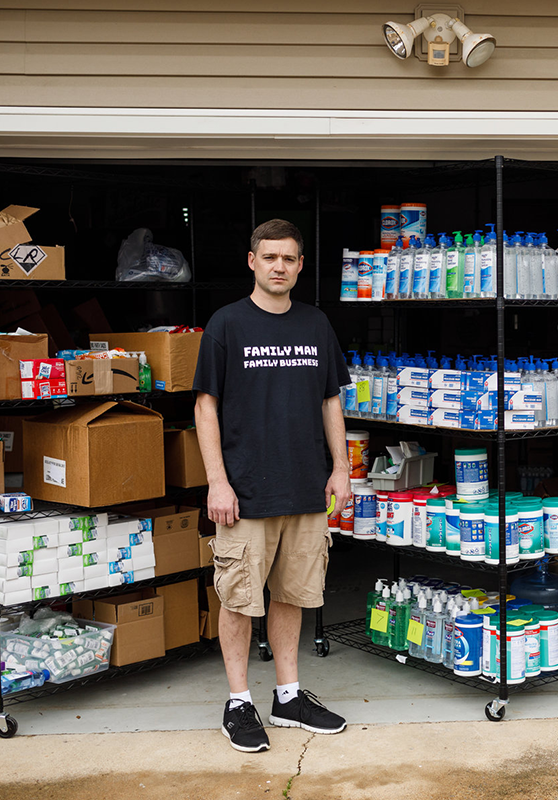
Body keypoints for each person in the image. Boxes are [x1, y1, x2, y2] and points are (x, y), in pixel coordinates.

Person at [193, 218, 352, 753]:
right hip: (244, 492)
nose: (279, 266)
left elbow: (332, 399)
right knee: (239, 599)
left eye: (289, 258)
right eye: (270, 257)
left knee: (293, 593)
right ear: (252, 261)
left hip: (307, 488)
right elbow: (205, 406)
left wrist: (342, 467)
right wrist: (217, 481)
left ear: (300, 265)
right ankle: (239, 703)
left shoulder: (316, 324)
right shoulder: (226, 325)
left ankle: (288, 695)